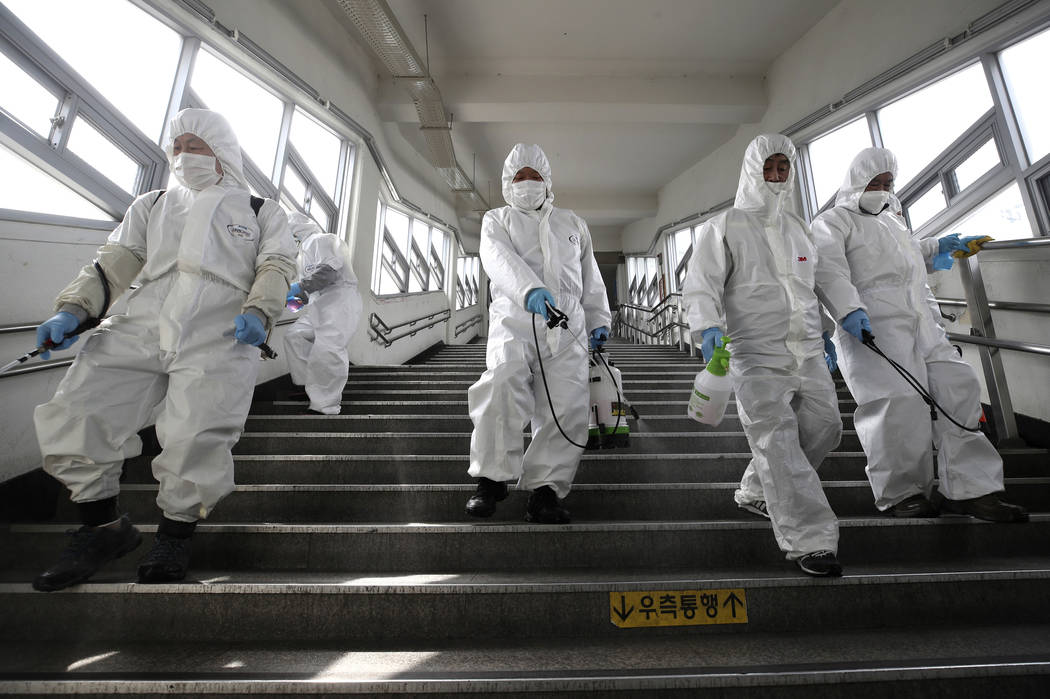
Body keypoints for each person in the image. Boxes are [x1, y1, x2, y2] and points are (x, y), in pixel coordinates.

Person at [32, 108, 297, 591]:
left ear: (221, 151)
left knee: (197, 433)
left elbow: (277, 263)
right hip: (139, 320)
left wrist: (259, 312)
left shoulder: (260, 210)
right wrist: (73, 310)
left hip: (220, 329)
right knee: (78, 412)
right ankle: (102, 528)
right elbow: (115, 262)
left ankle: (175, 534)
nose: (183, 156)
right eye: (176, 147)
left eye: (195, 145)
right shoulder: (151, 204)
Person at [811, 147, 1027, 522]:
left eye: (887, 183)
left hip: (921, 321)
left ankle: (971, 489)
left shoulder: (893, 221)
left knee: (958, 389)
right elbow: (827, 270)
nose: (881, 189)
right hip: (871, 323)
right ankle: (902, 492)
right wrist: (847, 310)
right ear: (855, 183)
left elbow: (906, 257)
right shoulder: (833, 221)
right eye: (873, 183)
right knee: (896, 402)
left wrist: (941, 247)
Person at [683, 133, 844, 577]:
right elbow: (702, 283)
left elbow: (808, 287)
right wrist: (709, 327)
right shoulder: (726, 225)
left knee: (827, 426)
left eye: (783, 169)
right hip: (754, 352)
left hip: (807, 349)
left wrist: (826, 331)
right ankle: (810, 540)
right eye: (768, 168)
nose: (776, 177)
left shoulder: (798, 227)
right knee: (776, 441)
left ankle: (757, 489)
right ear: (752, 171)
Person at [465, 143, 611, 524]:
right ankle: (491, 479)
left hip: (567, 325)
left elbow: (589, 277)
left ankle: (546, 491)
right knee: (501, 384)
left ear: (547, 181)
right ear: (507, 183)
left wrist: (599, 321)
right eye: (519, 176)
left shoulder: (573, 224)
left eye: (534, 176)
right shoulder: (497, 219)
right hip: (515, 317)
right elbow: (498, 259)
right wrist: (530, 290)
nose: (527, 183)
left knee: (566, 406)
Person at [283, 211, 362, 415]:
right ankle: (308, 387)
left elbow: (329, 272)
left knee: (327, 348)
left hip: (340, 301)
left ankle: (326, 405)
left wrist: (299, 287)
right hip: (320, 304)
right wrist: (283, 303)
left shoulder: (322, 240)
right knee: (294, 336)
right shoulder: (302, 255)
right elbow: (305, 293)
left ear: (295, 232)